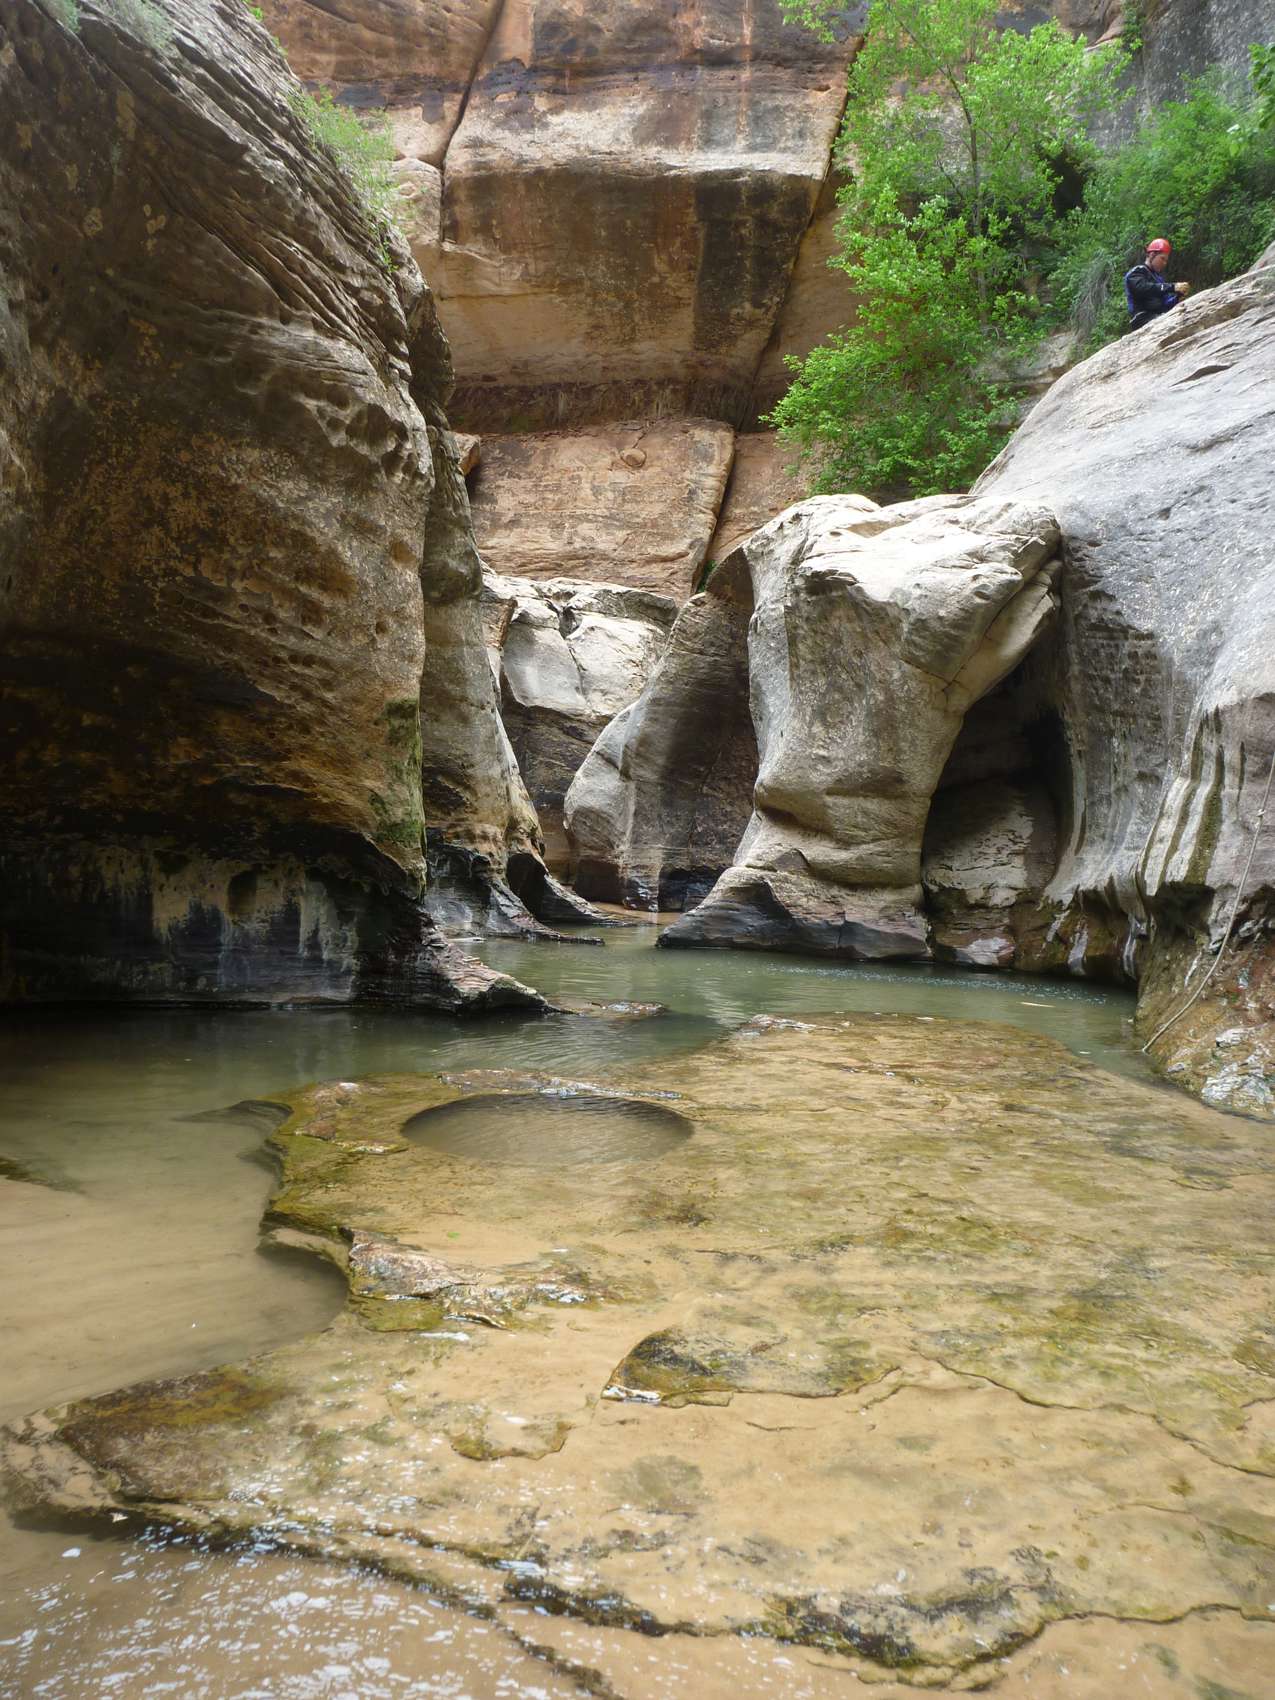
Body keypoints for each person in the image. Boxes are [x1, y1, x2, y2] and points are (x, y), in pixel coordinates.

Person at [1124, 239, 1192, 329]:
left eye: (1166, 260)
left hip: (1158, 316)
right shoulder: (1137, 271)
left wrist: (1177, 299)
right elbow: (1141, 288)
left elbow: (1165, 304)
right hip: (1141, 318)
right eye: (1162, 258)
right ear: (1152, 255)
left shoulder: (1159, 279)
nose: (1164, 263)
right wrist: (1172, 287)